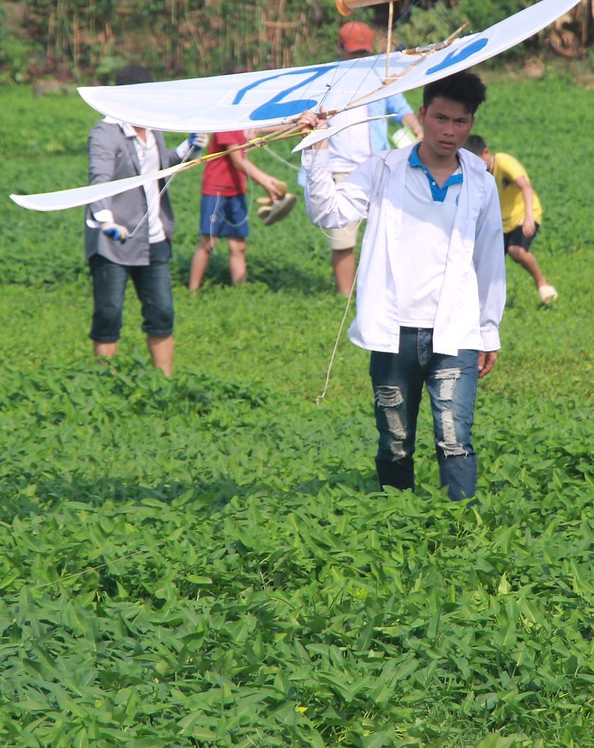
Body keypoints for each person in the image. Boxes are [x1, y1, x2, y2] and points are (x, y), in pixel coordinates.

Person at [300, 71, 506, 501]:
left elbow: (489, 262)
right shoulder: (383, 170)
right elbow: (329, 213)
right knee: (394, 442)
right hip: (393, 332)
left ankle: (460, 531)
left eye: (461, 122)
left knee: (455, 439)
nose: (449, 131)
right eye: (441, 118)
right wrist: (319, 145)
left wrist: (489, 330)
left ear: (471, 123)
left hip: (456, 331)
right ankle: (398, 522)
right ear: (422, 115)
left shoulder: (481, 184)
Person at [85, 64, 205, 376]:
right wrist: (106, 220)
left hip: (154, 237)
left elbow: (162, 166)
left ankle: (163, 381)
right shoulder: (105, 133)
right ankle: (103, 379)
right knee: (109, 312)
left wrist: (189, 147)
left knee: (162, 311)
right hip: (114, 240)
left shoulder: (153, 128)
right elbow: (99, 180)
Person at [324, 20, 423, 296]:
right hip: (340, 170)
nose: (358, 58)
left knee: (387, 232)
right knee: (342, 239)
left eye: (363, 53)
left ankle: (383, 290)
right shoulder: (326, 80)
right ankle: (345, 295)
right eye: (353, 53)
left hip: (377, 167)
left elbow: (401, 107)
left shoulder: (378, 77)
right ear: (340, 48)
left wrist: (418, 130)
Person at [188, 130, 295, 290]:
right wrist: (267, 183)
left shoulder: (242, 122)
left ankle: (241, 292)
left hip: (237, 190)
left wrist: (295, 121)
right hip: (216, 189)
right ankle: (192, 292)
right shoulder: (226, 124)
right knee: (208, 242)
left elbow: (263, 125)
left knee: (238, 245)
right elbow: (237, 160)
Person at [463, 134, 558, 305]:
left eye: (479, 162)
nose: (478, 168)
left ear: (486, 153)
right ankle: (483, 300)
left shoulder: (503, 161)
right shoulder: (475, 175)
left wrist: (529, 216)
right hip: (501, 220)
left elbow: (526, 187)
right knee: (485, 260)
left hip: (524, 213)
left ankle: (541, 282)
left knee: (516, 250)